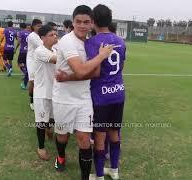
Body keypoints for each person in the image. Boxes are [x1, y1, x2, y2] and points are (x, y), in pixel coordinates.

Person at [52, 5, 113, 180]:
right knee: (62, 136)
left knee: (84, 140)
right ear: (73, 22)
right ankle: (61, 156)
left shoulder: (91, 42)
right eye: (78, 21)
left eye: (86, 22)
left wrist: (68, 77)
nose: (82, 25)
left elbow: (95, 73)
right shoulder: (67, 41)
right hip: (63, 99)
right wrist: (101, 56)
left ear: (92, 23)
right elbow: (80, 70)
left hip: (84, 99)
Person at [85, 5, 126, 180]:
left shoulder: (92, 42)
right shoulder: (121, 41)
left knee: (100, 138)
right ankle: (114, 170)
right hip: (118, 93)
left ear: (93, 21)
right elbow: (121, 66)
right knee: (115, 133)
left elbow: (93, 69)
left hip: (101, 96)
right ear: (110, 20)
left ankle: (100, 175)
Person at [33, 24, 58, 161]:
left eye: (55, 34)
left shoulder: (54, 49)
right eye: (51, 35)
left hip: (54, 92)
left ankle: (49, 129)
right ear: (42, 38)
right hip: (42, 93)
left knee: (52, 118)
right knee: (41, 122)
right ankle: (41, 147)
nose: (55, 36)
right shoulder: (40, 51)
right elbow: (57, 60)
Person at [26, 19, 43, 110]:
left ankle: (38, 100)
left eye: (41, 25)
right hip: (32, 61)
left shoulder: (41, 35)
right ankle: (31, 101)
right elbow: (42, 45)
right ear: (33, 27)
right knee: (32, 81)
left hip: (40, 61)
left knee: (39, 81)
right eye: (38, 26)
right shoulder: (32, 36)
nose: (40, 27)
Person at [15, 23, 30, 89]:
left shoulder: (20, 32)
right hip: (28, 51)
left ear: (20, 27)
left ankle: (26, 74)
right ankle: (26, 74)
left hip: (22, 51)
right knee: (26, 64)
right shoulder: (29, 33)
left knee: (19, 64)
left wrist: (16, 48)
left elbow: (19, 41)